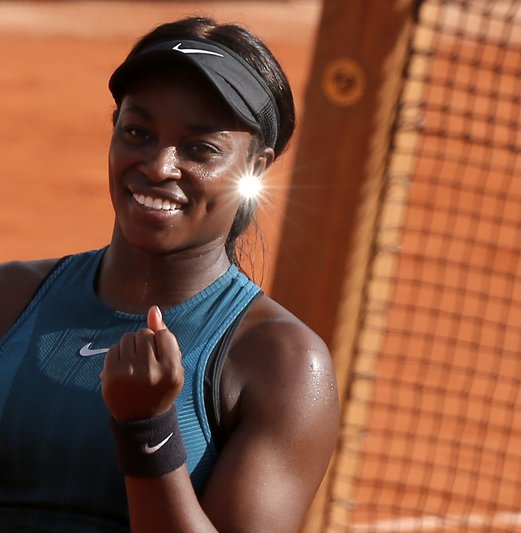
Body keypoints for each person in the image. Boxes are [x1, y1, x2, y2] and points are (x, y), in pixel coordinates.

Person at [0, 16, 339, 532]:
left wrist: (149, 431)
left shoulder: (282, 364)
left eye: (200, 148)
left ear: (256, 168)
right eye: (138, 131)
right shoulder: (10, 298)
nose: (160, 165)